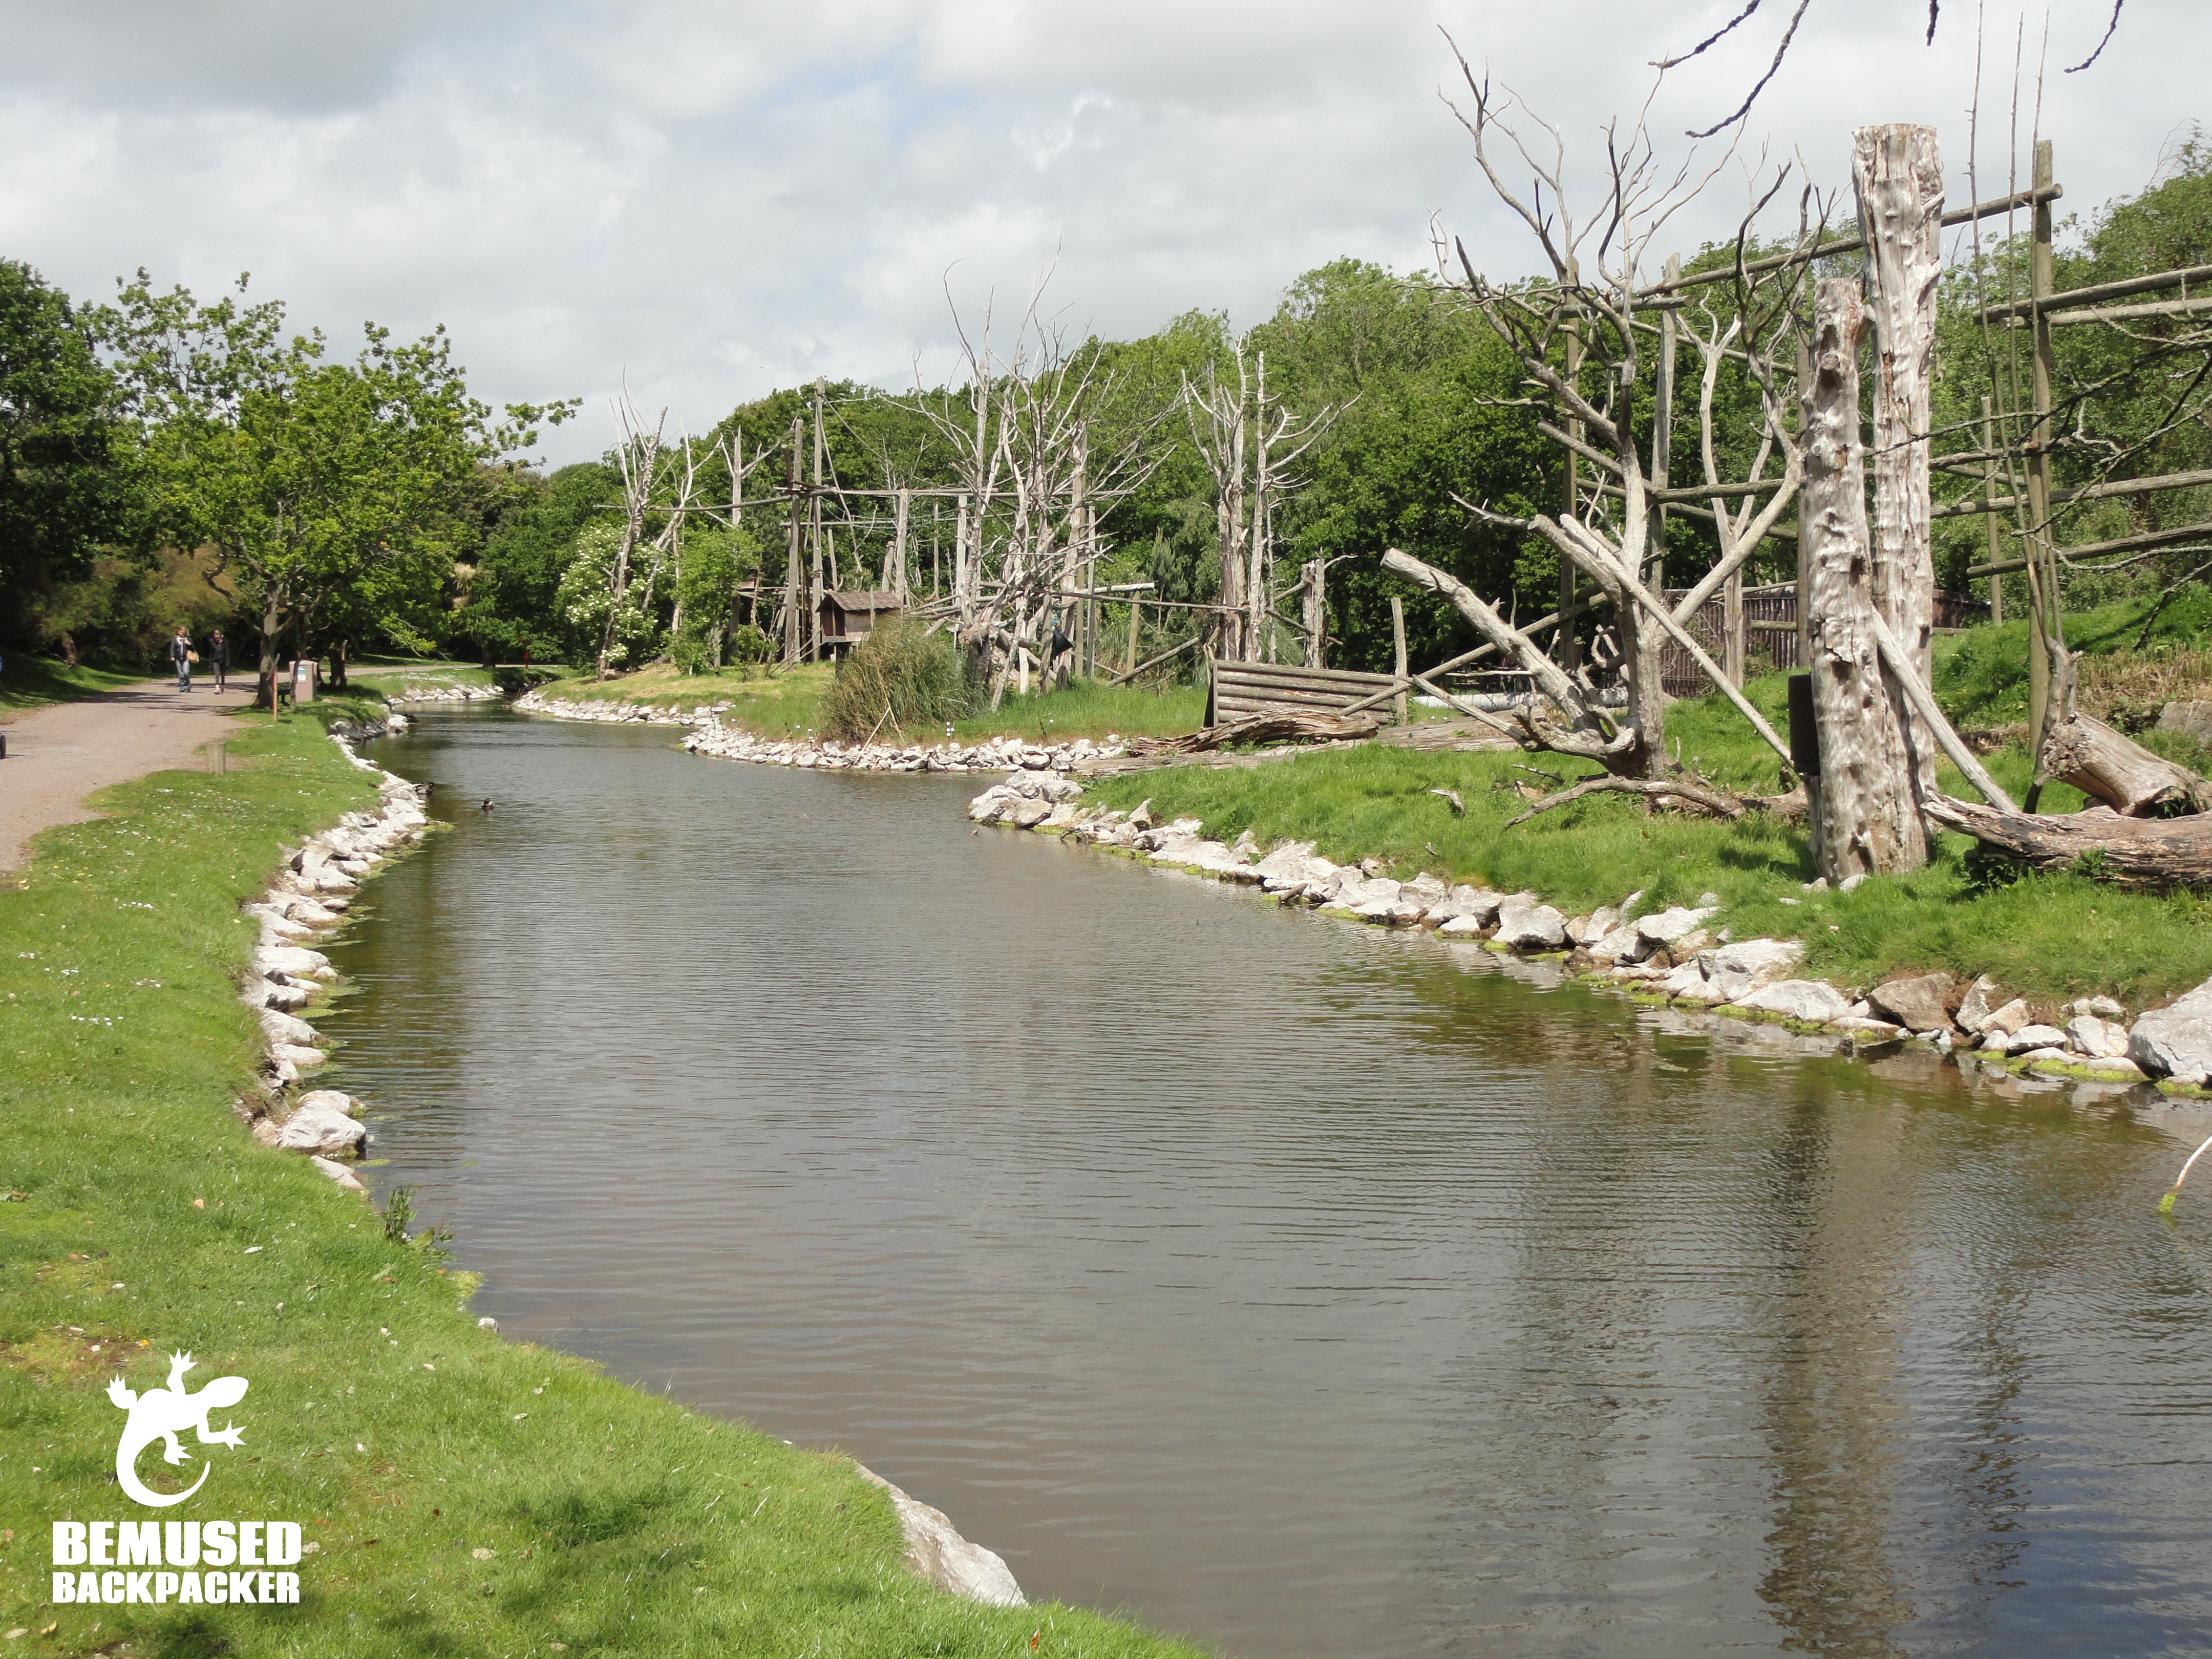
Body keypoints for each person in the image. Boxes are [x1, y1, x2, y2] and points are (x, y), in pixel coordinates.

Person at [169, 626, 193, 692]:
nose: (182, 632)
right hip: (178, 658)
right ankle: (183, 687)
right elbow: (172, 648)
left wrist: (189, 644)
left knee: (186, 672)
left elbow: (193, 649)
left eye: (183, 631)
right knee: (181, 674)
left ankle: (188, 684)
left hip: (186, 658)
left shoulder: (188, 639)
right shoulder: (175, 639)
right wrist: (172, 656)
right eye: (181, 631)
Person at [208, 629, 229, 693]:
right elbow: (211, 654)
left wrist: (228, 662)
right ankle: (217, 688)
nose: (217, 638)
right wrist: (210, 662)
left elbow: (228, 653)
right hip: (215, 660)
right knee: (217, 674)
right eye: (215, 637)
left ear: (221, 636)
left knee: (223, 674)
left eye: (218, 637)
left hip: (223, 660)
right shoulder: (213, 644)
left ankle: (222, 685)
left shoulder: (225, 643)